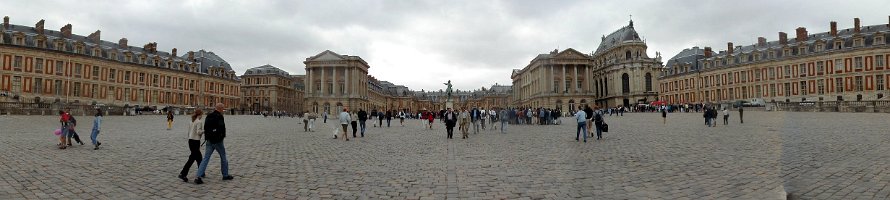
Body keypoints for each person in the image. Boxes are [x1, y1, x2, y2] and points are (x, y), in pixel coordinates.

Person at [194, 103, 234, 184]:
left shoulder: (209, 115)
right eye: (223, 109)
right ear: (220, 109)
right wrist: (221, 137)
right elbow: (221, 129)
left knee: (206, 158)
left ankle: (198, 176)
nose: (223, 110)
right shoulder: (219, 116)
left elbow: (206, 127)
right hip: (217, 141)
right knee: (223, 157)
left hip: (209, 140)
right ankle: (225, 175)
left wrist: (208, 137)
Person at [179, 109, 204, 182]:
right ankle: (183, 173)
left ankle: (201, 173)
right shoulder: (199, 122)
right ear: (200, 114)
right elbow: (199, 132)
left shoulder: (191, 121)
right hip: (195, 141)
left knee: (199, 158)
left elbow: (189, 131)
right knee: (192, 158)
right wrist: (204, 131)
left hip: (190, 140)